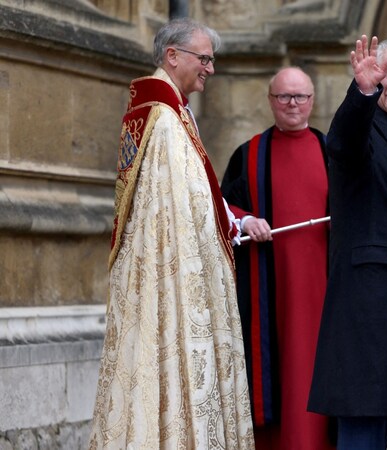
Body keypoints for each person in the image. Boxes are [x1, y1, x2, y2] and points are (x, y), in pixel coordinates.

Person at [89, 18, 258, 449]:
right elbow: (174, 215)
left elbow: (197, 196)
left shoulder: (171, 111)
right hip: (173, 278)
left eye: (211, 60)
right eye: (204, 59)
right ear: (172, 56)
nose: (210, 69)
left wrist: (233, 222)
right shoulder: (163, 119)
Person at [307, 35, 387, 450]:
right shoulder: (365, 123)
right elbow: (342, 142)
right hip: (365, 298)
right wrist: (361, 91)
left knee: (380, 416)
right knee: (362, 416)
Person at [220, 66, 335, 450]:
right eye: (284, 96)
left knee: (317, 370)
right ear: (270, 100)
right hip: (268, 290)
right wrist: (247, 219)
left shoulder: (333, 151)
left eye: (300, 96)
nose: (292, 104)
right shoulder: (248, 155)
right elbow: (221, 209)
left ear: (312, 101)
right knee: (278, 373)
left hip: (324, 290)